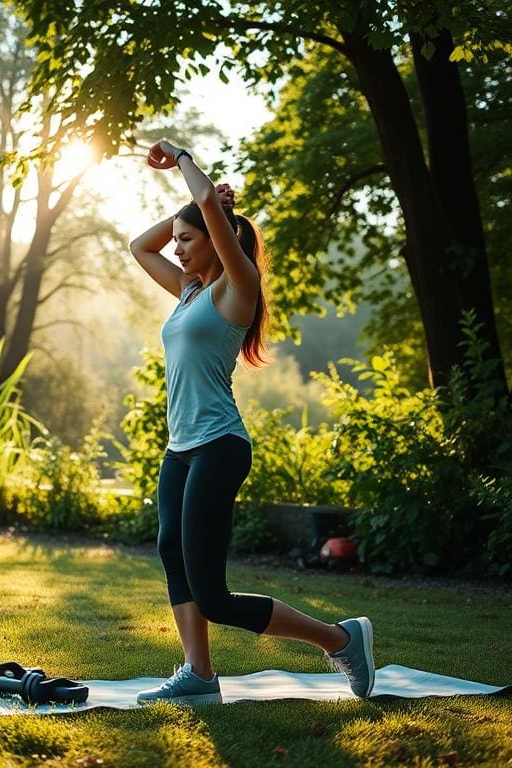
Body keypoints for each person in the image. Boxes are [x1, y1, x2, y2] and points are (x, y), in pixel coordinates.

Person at [130, 140, 374, 705]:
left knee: (212, 595)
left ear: (217, 243)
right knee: (171, 552)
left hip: (219, 445)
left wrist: (187, 164)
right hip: (181, 448)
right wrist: (186, 214)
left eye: (188, 241)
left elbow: (211, 222)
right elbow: (140, 246)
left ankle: (339, 639)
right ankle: (198, 674)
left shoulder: (236, 288)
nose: (179, 248)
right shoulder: (188, 292)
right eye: (181, 240)